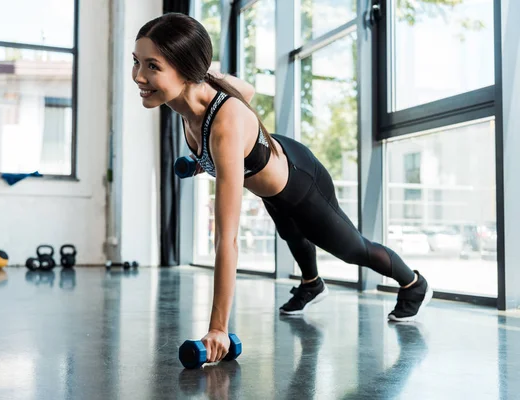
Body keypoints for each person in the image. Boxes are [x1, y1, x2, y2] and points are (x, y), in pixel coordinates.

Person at [132, 13, 432, 363]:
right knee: (291, 233)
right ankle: (312, 285)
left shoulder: (223, 127)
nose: (139, 76)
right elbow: (246, 90)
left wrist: (217, 328)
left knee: (353, 249)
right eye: (137, 62)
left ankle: (414, 284)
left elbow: (226, 239)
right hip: (272, 182)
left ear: (185, 71)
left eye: (153, 66)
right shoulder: (187, 103)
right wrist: (204, 161)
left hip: (300, 179)